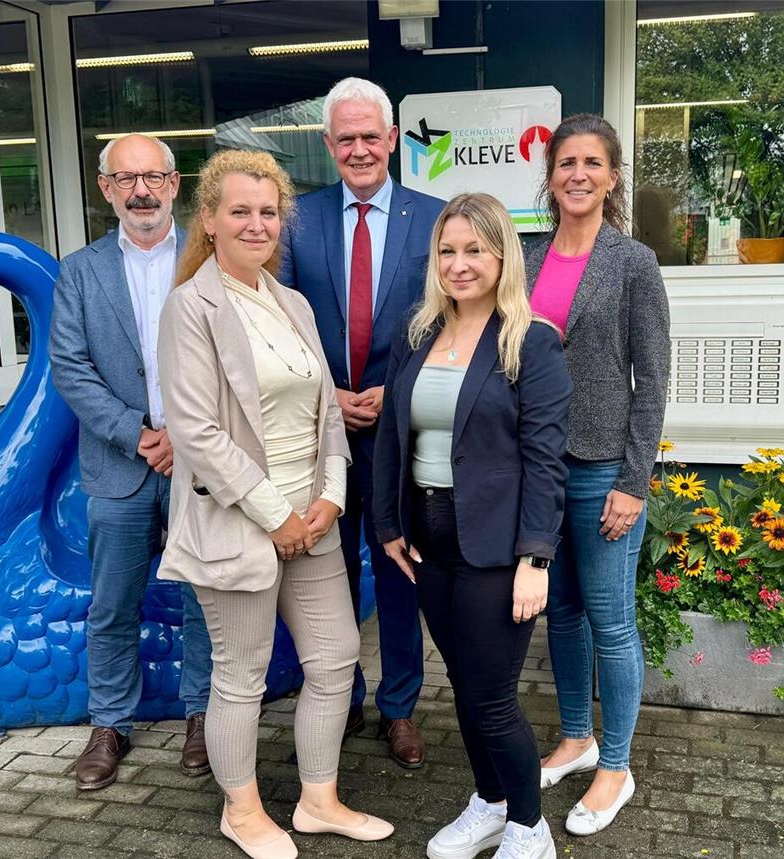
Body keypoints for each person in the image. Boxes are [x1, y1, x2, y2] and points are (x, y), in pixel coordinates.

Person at [156, 150, 393, 859]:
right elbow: (196, 432)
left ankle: (318, 801)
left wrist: (330, 497)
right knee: (241, 676)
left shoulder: (293, 304)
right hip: (238, 520)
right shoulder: (189, 307)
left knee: (336, 658)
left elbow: (326, 412)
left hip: (310, 517)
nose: (256, 224)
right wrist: (277, 515)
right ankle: (243, 811)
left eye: (268, 212)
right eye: (240, 211)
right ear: (209, 219)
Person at [373, 193, 572, 859]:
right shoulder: (418, 334)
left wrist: (535, 558)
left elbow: (545, 461)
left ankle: (529, 827)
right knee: (462, 684)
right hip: (430, 540)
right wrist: (389, 522)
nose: (459, 265)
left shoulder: (531, 341)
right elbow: (392, 435)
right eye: (447, 251)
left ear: (502, 256)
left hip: (497, 548)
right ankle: (489, 802)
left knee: (491, 698)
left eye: (474, 251)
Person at [277, 76, 445, 768]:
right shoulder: (298, 219)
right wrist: (328, 395)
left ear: (392, 139)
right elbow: (279, 321)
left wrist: (393, 389)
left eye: (370, 136)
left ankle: (399, 706)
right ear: (328, 144)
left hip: (400, 430)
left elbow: (449, 321)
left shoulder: (435, 218)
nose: (359, 149)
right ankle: (338, 697)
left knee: (400, 571)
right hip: (320, 431)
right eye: (345, 138)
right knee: (328, 573)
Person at [49, 133, 212, 791]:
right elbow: (69, 365)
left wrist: (185, 436)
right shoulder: (80, 271)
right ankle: (110, 723)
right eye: (126, 179)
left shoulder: (209, 259)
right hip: (119, 466)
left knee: (204, 598)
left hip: (199, 465)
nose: (141, 191)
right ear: (105, 188)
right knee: (113, 605)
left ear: (174, 184)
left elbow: (232, 359)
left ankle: (203, 716)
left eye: (152, 177)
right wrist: (137, 433)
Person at [523, 114, 671, 836]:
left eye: (592, 163)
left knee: (611, 621)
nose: (577, 174)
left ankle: (616, 764)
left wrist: (634, 481)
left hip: (604, 465)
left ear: (613, 177)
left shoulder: (633, 262)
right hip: (539, 467)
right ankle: (577, 737)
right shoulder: (525, 258)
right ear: (550, 176)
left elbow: (654, 378)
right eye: (565, 162)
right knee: (562, 612)